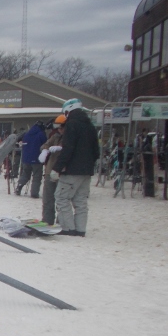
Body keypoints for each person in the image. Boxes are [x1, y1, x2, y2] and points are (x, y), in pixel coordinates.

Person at [50, 98, 100, 237]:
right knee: (80, 201)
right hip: (86, 172)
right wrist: (88, 164)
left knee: (61, 197)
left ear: (68, 110)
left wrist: (57, 168)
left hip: (72, 170)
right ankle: (80, 229)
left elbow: (68, 148)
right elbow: (96, 151)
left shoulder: (72, 125)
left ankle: (68, 228)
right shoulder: (90, 126)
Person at [38, 115, 66, 225]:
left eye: (61, 128)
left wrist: (62, 148)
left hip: (63, 171)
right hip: (50, 170)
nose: (60, 130)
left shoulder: (70, 137)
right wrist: (45, 150)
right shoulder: (55, 136)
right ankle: (47, 219)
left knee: (61, 199)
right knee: (47, 197)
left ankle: (61, 222)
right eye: (58, 128)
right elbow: (45, 144)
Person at [16, 121, 47, 197]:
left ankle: (19, 186)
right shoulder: (41, 134)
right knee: (37, 176)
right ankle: (34, 193)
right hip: (37, 158)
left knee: (25, 174)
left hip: (26, 158)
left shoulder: (27, 134)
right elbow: (45, 144)